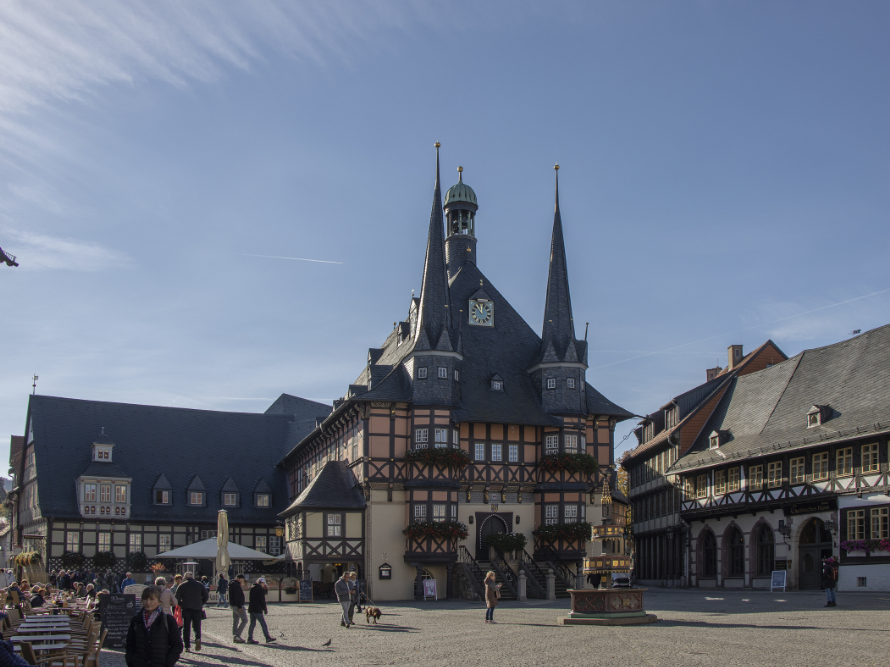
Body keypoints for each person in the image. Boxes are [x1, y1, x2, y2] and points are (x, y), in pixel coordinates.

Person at [125, 586, 183, 667]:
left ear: (159, 601)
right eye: (145, 599)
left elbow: (177, 645)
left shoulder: (168, 620)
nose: (148, 602)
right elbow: (130, 644)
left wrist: (168, 663)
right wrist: (131, 661)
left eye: (152, 599)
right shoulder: (136, 620)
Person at [176, 572, 208, 653]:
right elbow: (206, 596)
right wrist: (201, 603)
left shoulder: (182, 585)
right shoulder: (199, 585)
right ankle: (198, 638)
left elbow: (176, 598)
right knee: (197, 626)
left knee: (186, 628)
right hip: (197, 608)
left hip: (186, 608)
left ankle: (187, 646)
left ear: (185, 578)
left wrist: (182, 604)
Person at [246, 578, 275, 644]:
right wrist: (264, 608)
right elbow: (262, 600)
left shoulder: (252, 588)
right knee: (263, 623)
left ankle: (249, 638)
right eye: (264, 584)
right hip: (257, 609)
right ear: (262, 583)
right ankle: (267, 637)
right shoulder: (260, 589)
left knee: (252, 624)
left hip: (251, 608)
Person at [229, 574, 248, 644]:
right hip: (237, 605)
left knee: (236, 620)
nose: (243, 581)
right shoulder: (236, 585)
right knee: (245, 620)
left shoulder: (232, 584)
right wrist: (239, 606)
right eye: (242, 580)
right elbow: (237, 596)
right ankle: (237, 635)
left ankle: (234, 634)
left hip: (233, 605)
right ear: (239, 579)